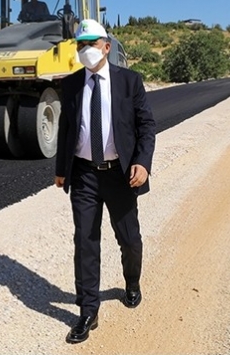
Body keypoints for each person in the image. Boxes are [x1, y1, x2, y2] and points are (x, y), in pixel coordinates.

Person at [54, 19, 156, 344]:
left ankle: (132, 282)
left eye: (92, 43)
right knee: (85, 241)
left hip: (119, 174)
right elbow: (66, 129)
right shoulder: (71, 84)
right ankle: (88, 311)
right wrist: (61, 168)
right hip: (84, 174)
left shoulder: (129, 81)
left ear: (107, 47)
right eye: (81, 44)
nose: (86, 49)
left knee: (129, 238)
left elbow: (146, 126)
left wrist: (142, 162)